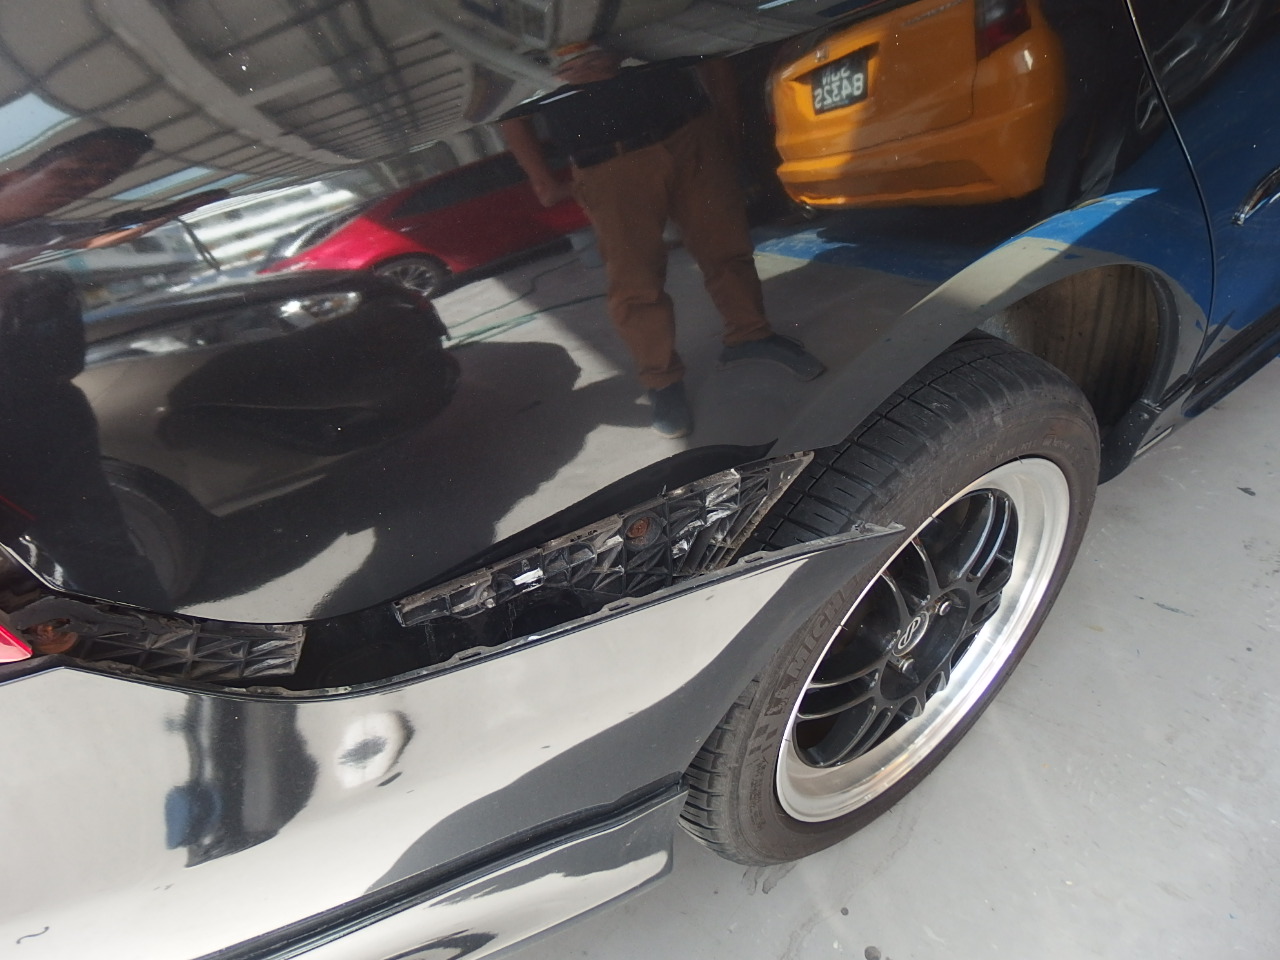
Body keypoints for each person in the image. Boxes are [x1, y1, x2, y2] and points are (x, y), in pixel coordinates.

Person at [500, 43, 824, 438]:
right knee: (635, 280)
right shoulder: (522, 33)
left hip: (691, 134)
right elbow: (510, 106)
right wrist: (542, 179)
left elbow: (710, 50)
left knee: (726, 247)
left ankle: (751, 335)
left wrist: (725, 128)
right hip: (608, 162)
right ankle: (662, 380)